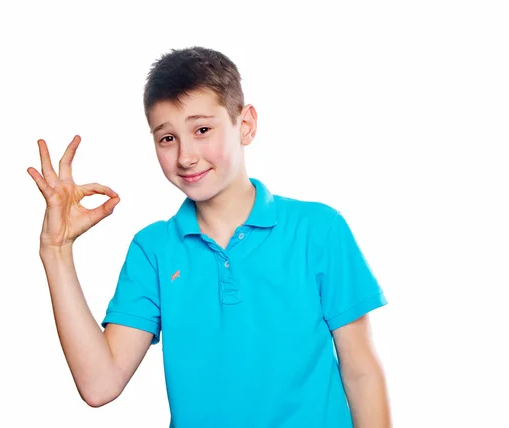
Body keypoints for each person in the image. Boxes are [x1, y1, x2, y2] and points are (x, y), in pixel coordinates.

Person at [27, 46, 392, 427]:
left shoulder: (318, 229)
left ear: (245, 124)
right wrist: (56, 251)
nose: (186, 156)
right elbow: (99, 385)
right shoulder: (153, 250)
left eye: (202, 130)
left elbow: (361, 371)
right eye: (167, 138)